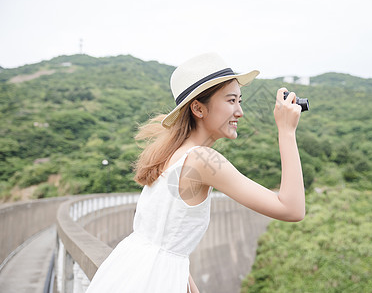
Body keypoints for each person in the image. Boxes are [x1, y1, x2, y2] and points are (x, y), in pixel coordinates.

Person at [86, 53, 305, 293]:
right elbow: (291, 209)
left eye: (240, 101)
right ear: (198, 108)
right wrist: (286, 131)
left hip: (128, 272)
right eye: (231, 101)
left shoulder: (170, 155)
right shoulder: (202, 159)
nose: (240, 111)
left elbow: (167, 239)